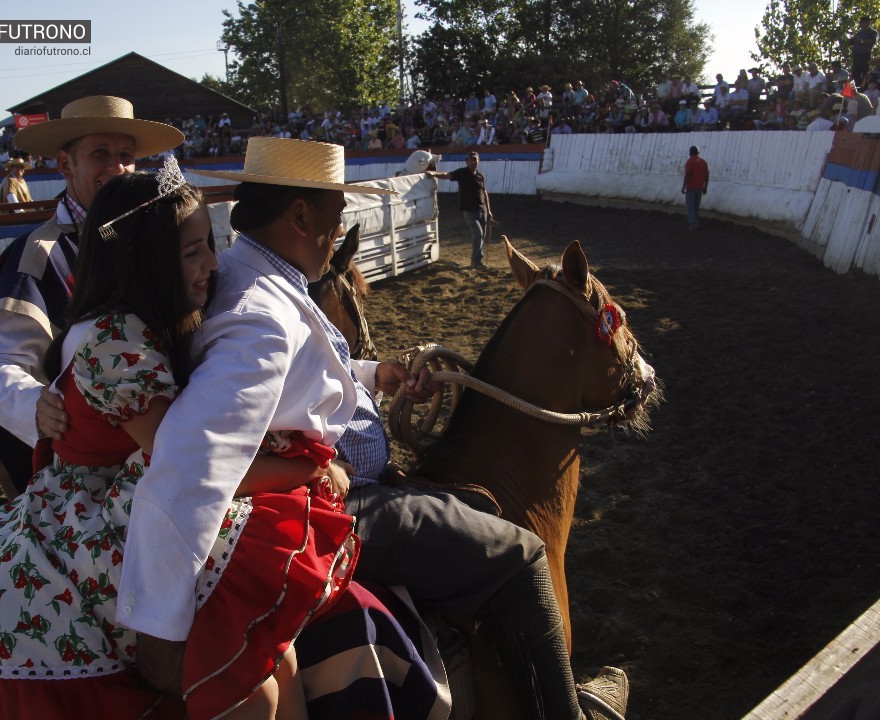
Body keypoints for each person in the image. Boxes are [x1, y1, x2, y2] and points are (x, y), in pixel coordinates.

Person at [113, 136, 629, 720]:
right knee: (524, 555)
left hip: (331, 482)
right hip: (333, 502)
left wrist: (370, 373)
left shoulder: (248, 272)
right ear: (301, 215)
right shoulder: (260, 320)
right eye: (335, 220)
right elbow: (189, 462)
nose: (338, 235)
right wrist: (154, 622)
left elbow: (290, 370)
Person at [0, 163, 359, 720]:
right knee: (248, 683)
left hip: (122, 487)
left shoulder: (163, 317)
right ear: (149, 259)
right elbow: (186, 463)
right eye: (192, 252)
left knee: (277, 658)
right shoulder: (111, 340)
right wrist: (307, 468)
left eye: (211, 245)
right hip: (93, 511)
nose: (213, 264)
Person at [0, 96, 183, 498]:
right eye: (100, 154)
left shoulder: (153, 240)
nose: (117, 167)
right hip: (89, 470)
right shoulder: (39, 255)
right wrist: (35, 404)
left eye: (126, 155)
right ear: (66, 165)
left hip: (155, 440)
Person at [431, 150, 494, 269]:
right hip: (469, 209)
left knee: (481, 235)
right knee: (478, 233)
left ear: (478, 161)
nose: (473, 162)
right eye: (471, 160)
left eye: (475, 159)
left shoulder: (480, 175)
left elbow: (484, 192)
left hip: (482, 209)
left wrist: (488, 210)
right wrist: (434, 174)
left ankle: (477, 260)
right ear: (467, 161)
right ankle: (476, 261)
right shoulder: (462, 173)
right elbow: (447, 175)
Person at [682, 145, 709, 231]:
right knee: (696, 206)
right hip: (700, 188)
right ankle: (695, 221)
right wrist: (705, 187)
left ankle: (693, 224)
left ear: (690, 153)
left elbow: (688, 175)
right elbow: (707, 176)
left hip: (691, 187)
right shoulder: (703, 162)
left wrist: (684, 186)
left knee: (690, 207)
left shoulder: (690, 161)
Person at [850, 16, 878, 86]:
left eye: (864, 23)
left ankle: (864, 88)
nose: (862, 24)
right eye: (861, 23)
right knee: (856, 74)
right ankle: (857, 87)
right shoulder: (858, 33)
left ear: (868, 23)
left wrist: (862, 41)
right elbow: (851, 42)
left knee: (865, 74)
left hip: (865, 55)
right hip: (856, 56)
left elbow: (873, 41)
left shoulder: (873, 32)